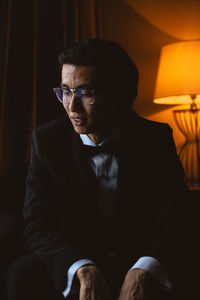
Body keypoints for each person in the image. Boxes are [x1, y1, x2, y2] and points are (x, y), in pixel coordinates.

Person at [4, 39, 189, 300]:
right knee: (21, 273)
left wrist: (145, 267)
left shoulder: (155, 139)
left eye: (85, 92)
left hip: (136, 258)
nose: (71, 106)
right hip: (76, 258)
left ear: (120, 93)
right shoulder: (46, 140)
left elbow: (177, 219)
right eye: (65, 91)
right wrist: (80, 267)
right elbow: (37, 225)